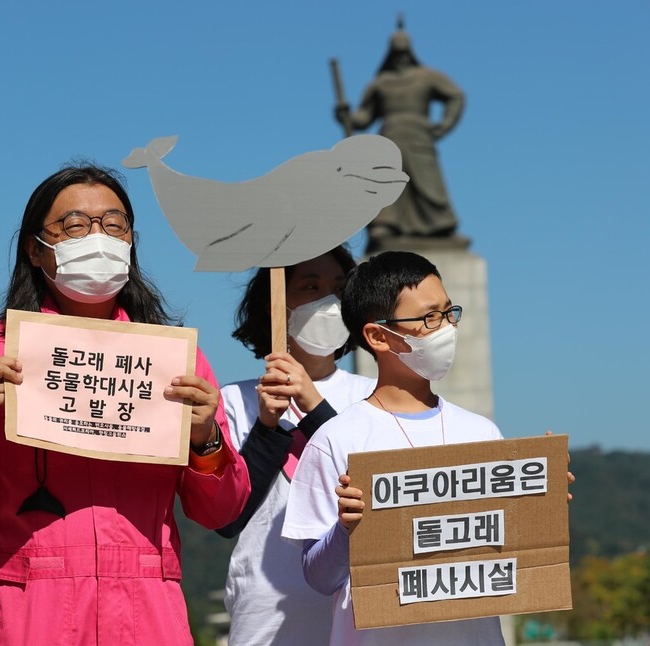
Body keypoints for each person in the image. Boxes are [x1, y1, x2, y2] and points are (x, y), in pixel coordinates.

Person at [0, 164, 250, 645]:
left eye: (114, 225)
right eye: (74, 226)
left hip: (148, 609)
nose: (98, 238)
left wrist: (206, 440)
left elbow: (222, 512)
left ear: (131, 242)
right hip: (34, 610)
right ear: (35, 248)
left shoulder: (172, 360)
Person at [282, 250, 507, 644]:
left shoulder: (481, 434)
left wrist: (541, 496)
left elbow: (511, 552)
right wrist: (345, 530)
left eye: (449, 313)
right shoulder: (338, 438)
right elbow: (319, 578)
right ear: (378, 335)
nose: (446, 329)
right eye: (428, 318)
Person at [216, 246, 376, 645]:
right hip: (265, 614)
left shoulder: (375, 395)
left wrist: (312, 405)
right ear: (276, 304)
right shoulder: (234, 401)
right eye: (311, 286)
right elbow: (227, 517)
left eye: (339, 289)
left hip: (357, 606)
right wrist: (267, 427)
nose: (328, 300)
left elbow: (374, 490)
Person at [337, 19, 465, 249]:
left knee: (427, 182)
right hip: (389, 138)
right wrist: (347, 115)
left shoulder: (426, 76)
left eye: (404, 53)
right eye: (397, 54)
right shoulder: (381, 83)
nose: (401, 58)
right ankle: (385, 226)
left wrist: (444, 125)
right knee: (389, 182)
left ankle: (440, 225)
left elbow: (455, 96)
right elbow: (364, 117)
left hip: (419, 136)